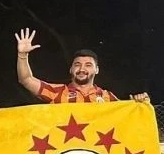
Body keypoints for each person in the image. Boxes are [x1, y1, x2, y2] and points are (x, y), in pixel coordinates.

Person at [15, 28, 150, 104]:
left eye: (88, 65)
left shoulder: (107, 97)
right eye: (77, 64)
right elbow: (26, 79)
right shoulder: (57, 92)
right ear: (71, 69)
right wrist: (22, 55)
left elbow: (126, 115)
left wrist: (141, 104)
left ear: (96, 70)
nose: (82, 69)